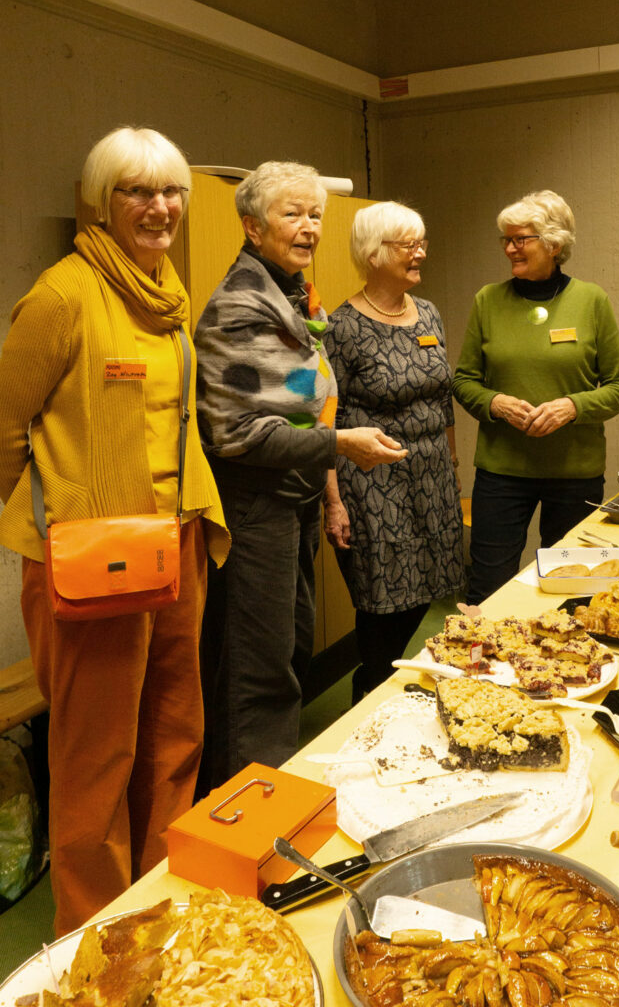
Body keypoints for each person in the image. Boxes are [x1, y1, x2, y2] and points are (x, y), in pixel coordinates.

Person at [0, 127, 230, 936]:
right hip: (90, 564)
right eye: (137, 191)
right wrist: (37, 527)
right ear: (101, 203)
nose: (159, 207)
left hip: (176, 548)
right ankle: (98, 942)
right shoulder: (63, 295)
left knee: (174, 739)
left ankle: (158, 908)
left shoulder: (168, 292)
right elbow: (4, 419)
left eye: (170, 191)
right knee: (95, 765)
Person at [194, 162, 407, 787]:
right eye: (293, 214)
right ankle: (249, 807)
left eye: (315, 214)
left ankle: (266, 792)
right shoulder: (241, 303)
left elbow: (293, 395)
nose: (309, 227)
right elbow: (237, 434)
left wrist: (327, 462)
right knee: (259, 670)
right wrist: (340, 443)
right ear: (252, 227)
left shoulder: (288, 290)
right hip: (254, 507)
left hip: (293, 499)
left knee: (287, 652)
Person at [452, 189, 619, 605]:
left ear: (553, 245)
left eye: (521, 239)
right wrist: (495, 402)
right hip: (502, 472)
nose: (510, 248)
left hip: (574, 473)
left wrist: (573, 406)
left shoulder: (591, 300)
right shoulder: (488, 301)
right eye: (506, 239)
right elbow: (463, 381)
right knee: (488, 585)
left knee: (571, 589)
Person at [323, 202, 465, 703]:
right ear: (374, 253)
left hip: (431, 475)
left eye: (421, 241)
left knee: (426, 593)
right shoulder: (341, 327)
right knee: (386, 603)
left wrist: (450, 462)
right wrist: (333, 500)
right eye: (410, 244)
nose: (421, 252)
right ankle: (370, 696)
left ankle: (396, 691)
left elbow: (442, 395)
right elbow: (327, 419)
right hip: (373, 483)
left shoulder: (427, 313)